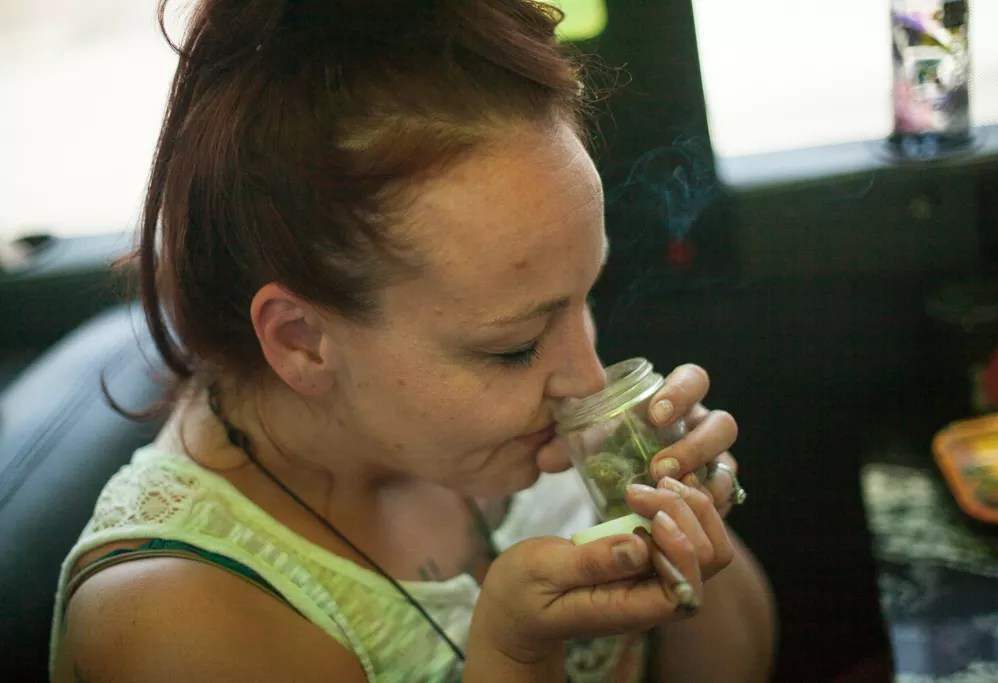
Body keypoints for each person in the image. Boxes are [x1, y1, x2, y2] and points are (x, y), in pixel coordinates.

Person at [49, 1, 776, 681]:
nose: (588, 382)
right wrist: (515, 655)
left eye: (586, 296)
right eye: (514, 346)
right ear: (302, 341)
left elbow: (741, 662)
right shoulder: (173, 619)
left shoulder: (493, 423)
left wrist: (677, 516)